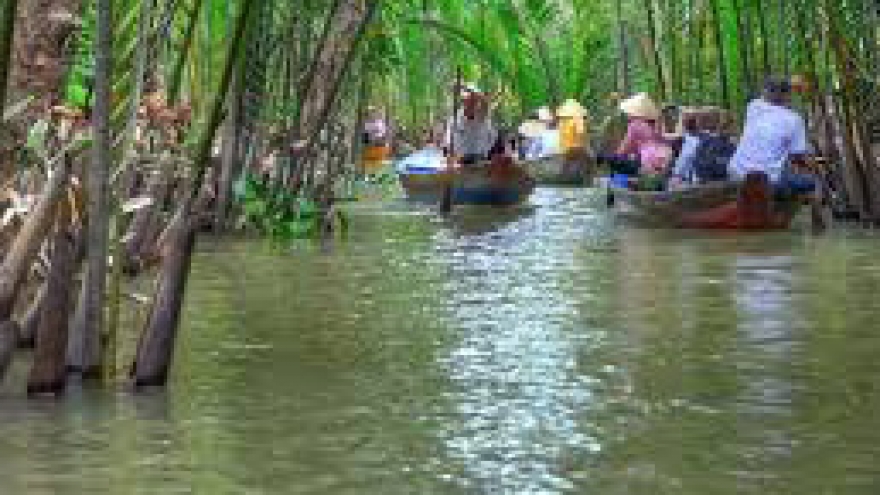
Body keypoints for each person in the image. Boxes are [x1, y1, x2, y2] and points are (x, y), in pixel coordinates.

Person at [728, 78, 814, 194]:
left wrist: (788, 86)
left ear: (766, 92)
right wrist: (811, 164)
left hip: (735, 172)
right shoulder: (794, 119)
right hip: (768, 180)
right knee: (810, 182)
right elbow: (798, 156)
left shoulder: (753, 106)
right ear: (787, 95)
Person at [611, 92, 674, 190]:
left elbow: (623, 150)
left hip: (649, 164)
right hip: (664, 160)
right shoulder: (655, 124)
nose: (627, 114)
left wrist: (614, 158)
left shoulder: (635, 125)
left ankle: (623, 185)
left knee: (614, 161)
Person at [444, 84, 497, 164]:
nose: (471, 104)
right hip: (460, 160)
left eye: (474, 100)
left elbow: (484, 100)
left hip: (479, 159)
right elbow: (449, 141)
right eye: (468, 100)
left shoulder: (481, 116)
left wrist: (463, 86)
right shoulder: (454, 119)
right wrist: (450, 155)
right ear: (463, 102)